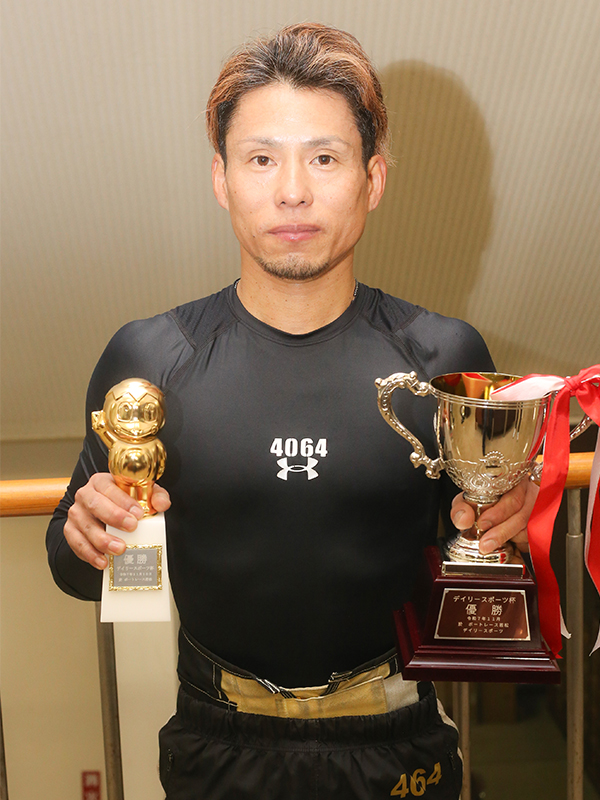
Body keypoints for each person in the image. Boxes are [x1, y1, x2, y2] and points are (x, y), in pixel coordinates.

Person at [47, 23, 536, 799]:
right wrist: (84, 532)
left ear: (373, 179)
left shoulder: (443, 357)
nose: (293, 192)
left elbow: (477, 549)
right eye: (262, 159)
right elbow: (74, 570)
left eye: (325, 158)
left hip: (396, 741)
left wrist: (510, 521)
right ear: (222, 179)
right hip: (217, 742)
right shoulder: (149, 359)